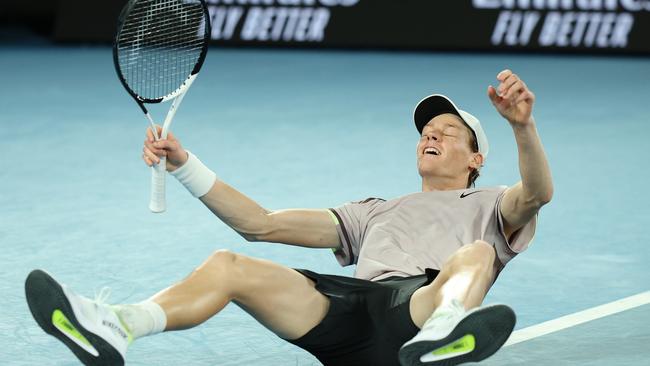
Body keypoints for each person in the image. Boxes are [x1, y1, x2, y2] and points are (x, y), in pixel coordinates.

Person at [25, 69, 552, 366]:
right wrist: (184, 164)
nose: (430, 135)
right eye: (426, 131)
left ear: (477, 158)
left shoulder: (493, 203)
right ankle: (118, 326)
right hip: (352, 319)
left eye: (447, 130)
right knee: (230, 263)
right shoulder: (372, 212)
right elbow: (261, 223)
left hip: (416, 309)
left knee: (478, 253)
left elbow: (538, 193)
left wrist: (523, 128)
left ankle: (445, 334)